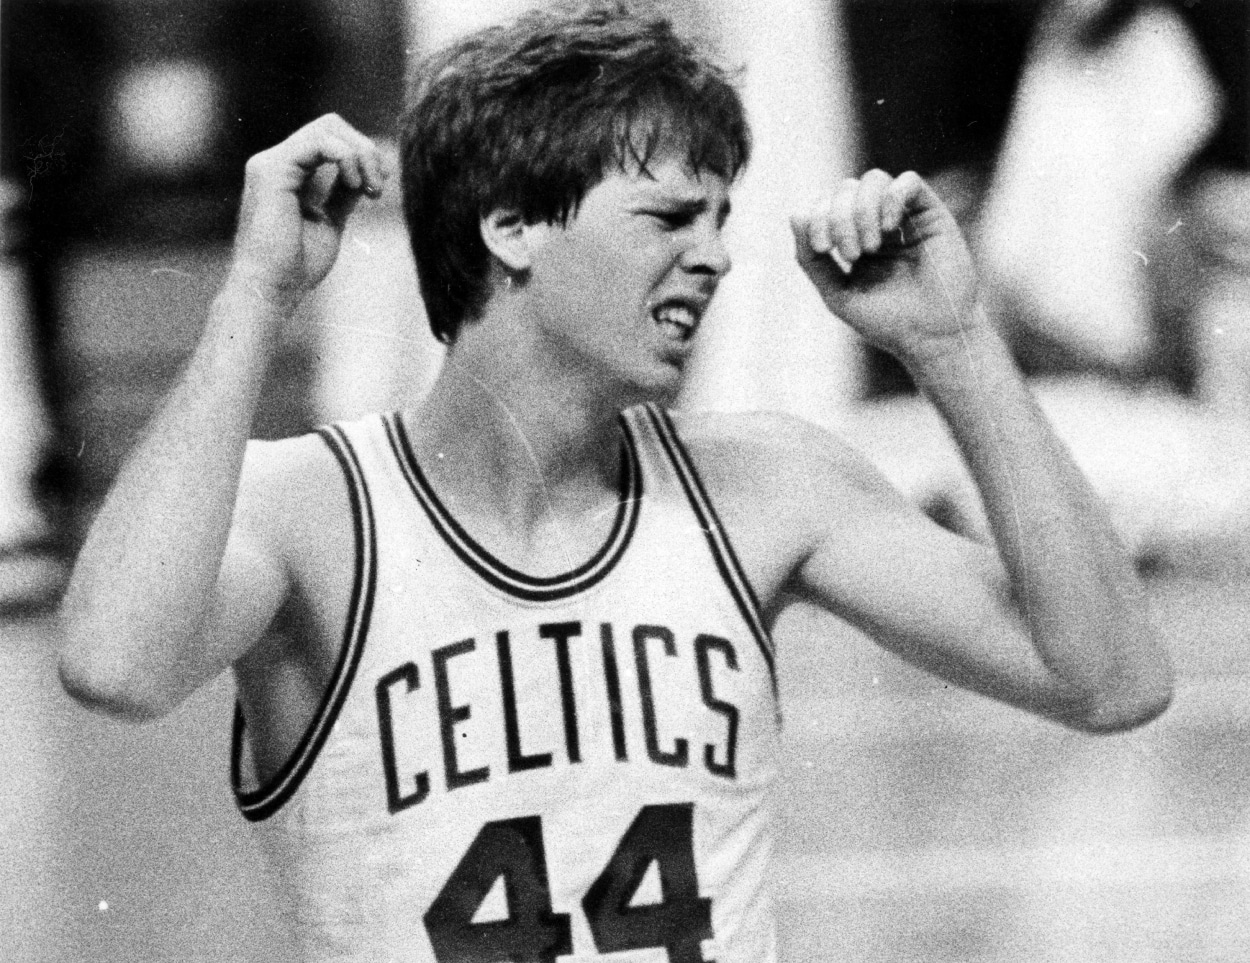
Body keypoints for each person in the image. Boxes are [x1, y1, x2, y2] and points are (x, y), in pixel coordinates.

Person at [56, 3, 1173, 960]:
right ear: (509, 228)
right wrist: (252, 298)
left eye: (720, 217)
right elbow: (116, 665)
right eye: (668, 217)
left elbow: (1109, 681)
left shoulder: (768, 488)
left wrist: (953, 344)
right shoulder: (314, 512)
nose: (716, 255)